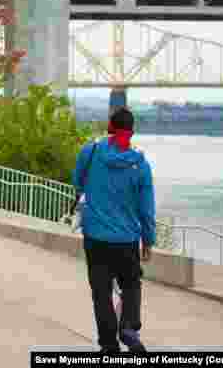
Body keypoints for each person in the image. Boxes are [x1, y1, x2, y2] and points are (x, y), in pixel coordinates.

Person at [74, 107, 155, 354]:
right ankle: (128, 327)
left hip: (96, 236)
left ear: (110, 126)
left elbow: (78, 182)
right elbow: (146, 209)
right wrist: (148, 240)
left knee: (101, 292)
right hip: (126, 239)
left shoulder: (91, 151)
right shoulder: (140, 165)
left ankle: (108, 345)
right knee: (131, 284)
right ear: (131, 131)